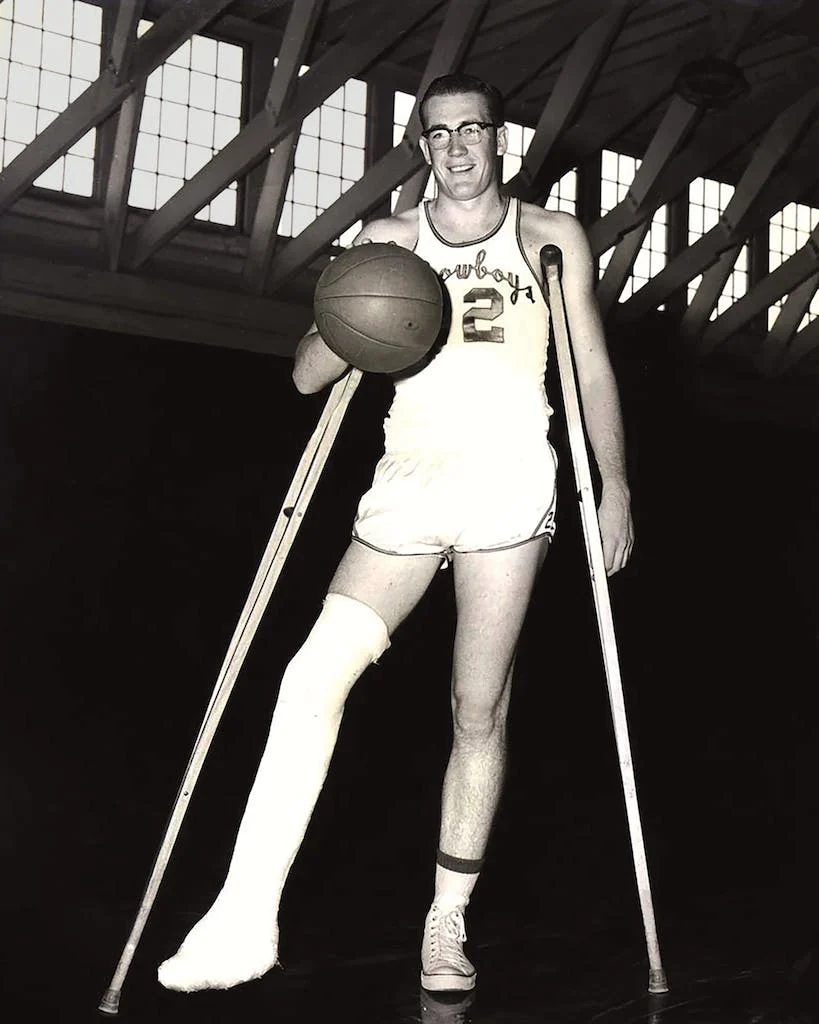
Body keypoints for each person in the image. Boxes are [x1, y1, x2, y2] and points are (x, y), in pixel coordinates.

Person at [157, 72, 634, 995]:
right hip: (407, 488)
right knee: (308, 677)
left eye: (473, 130)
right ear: (420, 148)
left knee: (475, 710)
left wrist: (611, 487)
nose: (456, 147)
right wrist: (361, 309)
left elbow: (593, 369)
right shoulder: (385, 241)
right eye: (437, 134)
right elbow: (305, 378)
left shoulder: (549, 238)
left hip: (507, 487)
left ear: (501, 140)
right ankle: (244, 918)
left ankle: (445, 926)